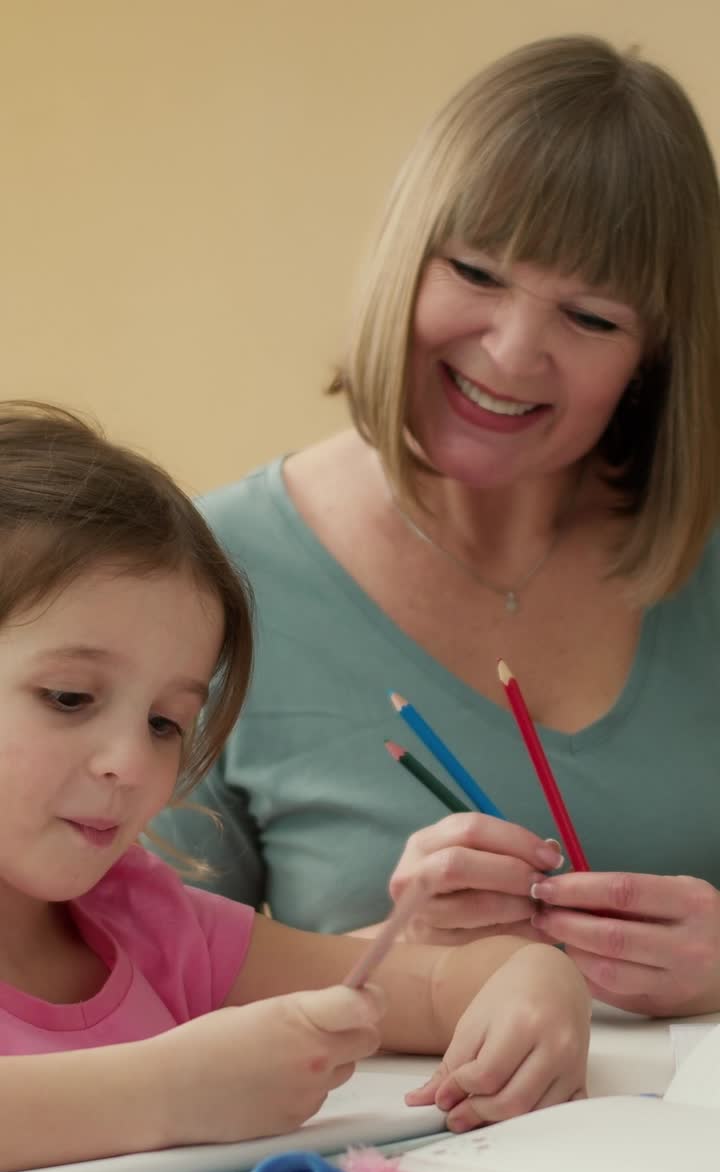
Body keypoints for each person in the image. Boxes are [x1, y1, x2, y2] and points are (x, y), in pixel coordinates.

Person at [152, 34, 720, 1019]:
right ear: (403, 256)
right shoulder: (205, 579)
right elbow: (143, 980)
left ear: (655, 354)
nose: (513, 352)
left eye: (591, 317)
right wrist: (397, 967)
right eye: (477, 272)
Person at [0, 401, 589, 1172]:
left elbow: (442, 983)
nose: (129, 762)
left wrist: (540, 979)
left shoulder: (149, 921)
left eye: (165, 723)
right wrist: (173, 1091)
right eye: (70, 698)